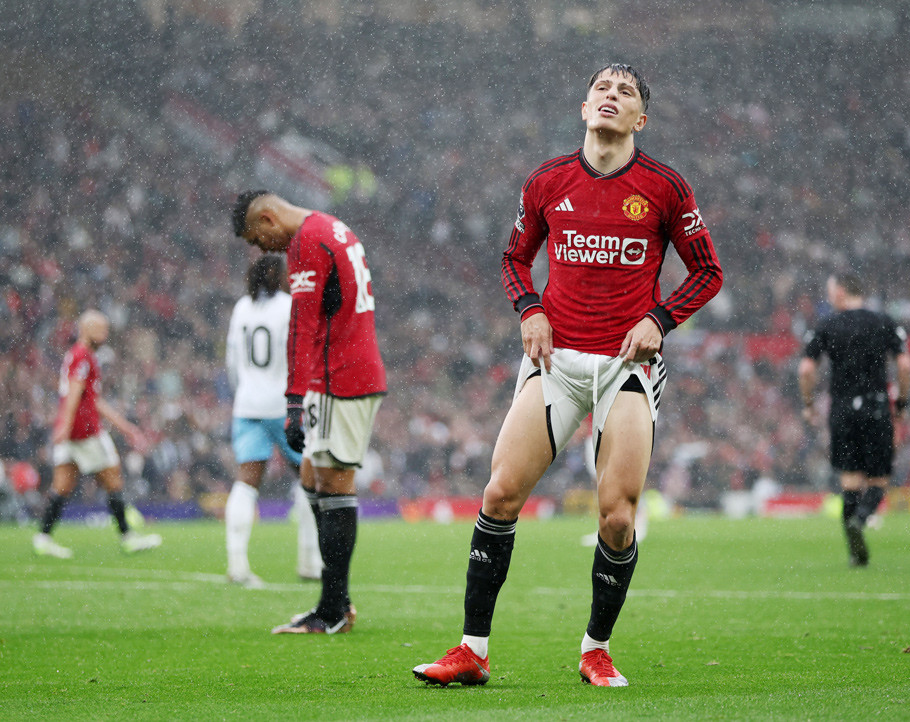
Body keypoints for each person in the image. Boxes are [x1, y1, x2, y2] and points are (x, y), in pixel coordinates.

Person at [413, 63, 723, 688]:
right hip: (555, 363)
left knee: (616, 518)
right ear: (585, 108)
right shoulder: (548, 181)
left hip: (625, 367)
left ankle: (595, 649)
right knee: (499, 495)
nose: (612, 97)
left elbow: (707, 271)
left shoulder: (665, 187)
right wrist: (529, 309)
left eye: (626, 92)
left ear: (641, 119)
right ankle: (472, 650)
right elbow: (512, 259)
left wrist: (660, 320)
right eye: (602, 90)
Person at [231, 190, 387, 633]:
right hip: (341, 372)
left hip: (343, 376)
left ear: (267, 217)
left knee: (334, 481)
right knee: (311, 478)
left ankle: (334, 610)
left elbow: (304, 324)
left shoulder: (307, 241)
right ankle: (336, 601)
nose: (263, 249)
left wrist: (294, 400)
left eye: (257, 238)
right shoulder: (331, 226)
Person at [798, 272, 910, 567]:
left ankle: (854, 554)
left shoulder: (828, 325)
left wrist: (809, 404)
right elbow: (905, 364)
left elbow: (806, 371)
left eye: (830, 290)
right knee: (878, 479)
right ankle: (861, 520)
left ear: (841, 292)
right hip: (876, 406)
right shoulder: (884, 322)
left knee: (850, 482)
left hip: (843, 409)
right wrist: (900, 403)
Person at [224, 255, 322, 588]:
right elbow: (300, 353)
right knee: (308, 479)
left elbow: (232, 360)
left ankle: (237, 565)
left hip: (248, 404)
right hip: (285, 405)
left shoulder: (241, 308)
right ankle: (309, 561)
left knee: (246, 481)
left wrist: (245, 392)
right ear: (280, 277)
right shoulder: (289, 306)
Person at [33, 310, 162, 558]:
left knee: (62, 486)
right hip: (84, 432)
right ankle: (127, 535)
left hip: (73, 431)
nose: (105, 334)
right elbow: (74, 393)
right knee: (113, 479)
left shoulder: (79, 355)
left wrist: (126, 427)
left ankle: (43, 538)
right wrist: (65, 424)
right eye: (101, 329)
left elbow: (93, 400)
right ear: (86, 329)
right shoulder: (82, 356)